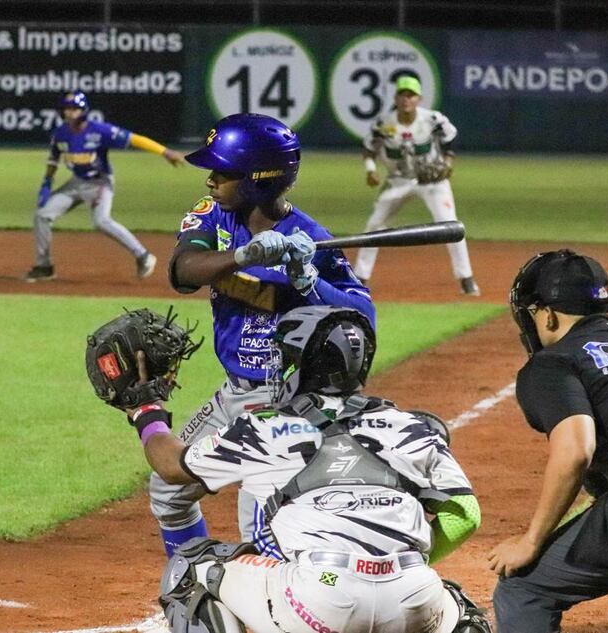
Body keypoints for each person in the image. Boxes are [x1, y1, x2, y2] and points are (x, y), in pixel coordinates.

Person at [104, 305, 489, 633]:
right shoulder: (408, 424)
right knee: (461, 609)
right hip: (411, 596)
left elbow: (171, 466)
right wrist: (387, 568)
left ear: (302, 366)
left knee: (189, 569)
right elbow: (465, 516)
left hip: (319, 601)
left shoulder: (267, 426)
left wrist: (145, 409)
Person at [153, 113, 374, 557]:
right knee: (168, 490)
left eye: (224, 172)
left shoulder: (312, 238)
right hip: (234, 394)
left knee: (263, 526)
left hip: (291, 403)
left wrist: (309, 281)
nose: (211, 179)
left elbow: (362, 316)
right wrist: (243, 255)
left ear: (258, 180)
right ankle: (193, 586)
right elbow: (183, 271)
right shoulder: (213, 216)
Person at [488, 249, 608, 633]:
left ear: (548, 314)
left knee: (523, 589)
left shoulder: (553, 363)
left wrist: (531, 540)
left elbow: (576, 451)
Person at [24, 90, 183, 282]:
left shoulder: (99, 130)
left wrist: (165, 152)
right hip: (76, 183)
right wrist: (46, 184)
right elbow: (53, 160)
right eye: (66, 109)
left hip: (100, 182)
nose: (69, 112)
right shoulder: (61, 134)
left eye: (74, 108)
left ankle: (143, 256)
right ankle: (44, 266)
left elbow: (134, 139)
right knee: (42, 215)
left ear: (83, 110)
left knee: (101, 221)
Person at [354, 75, 478, 296]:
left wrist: (448, 163)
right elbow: (369, 149)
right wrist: (370, 170)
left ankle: (466, 279)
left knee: (450, 226)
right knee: (374, 226)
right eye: (402, 94)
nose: (406, 99)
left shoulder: (432, 120)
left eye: (410, 95)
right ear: (395, 97)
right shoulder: (384, 123)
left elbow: (450, 138)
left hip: (432, 181)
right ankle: (359, 279)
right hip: (398, 181)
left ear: (419, 98)